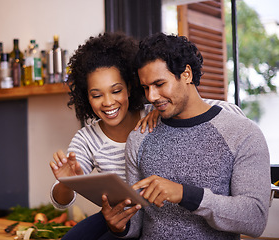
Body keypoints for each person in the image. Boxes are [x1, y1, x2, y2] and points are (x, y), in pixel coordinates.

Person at [49, 32, 247, 240]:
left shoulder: (157, 109)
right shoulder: (87, 138)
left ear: (130, 88)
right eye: (97, 95)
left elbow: (222, 111)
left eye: (116, 91)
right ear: (86, 97)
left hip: (163, 214)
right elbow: (60, 201)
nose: (107, 102)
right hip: (123, 214)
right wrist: (67, 182)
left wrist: (163, 111)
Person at [101, 33, 271, 239]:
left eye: (159, 84)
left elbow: (255, 218)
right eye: (146, 88)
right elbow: (138, 222)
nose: (151, 97)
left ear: (187, 74)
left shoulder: (242, 133)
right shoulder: (139, 137)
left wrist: (185, 195)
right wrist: (120, 226)